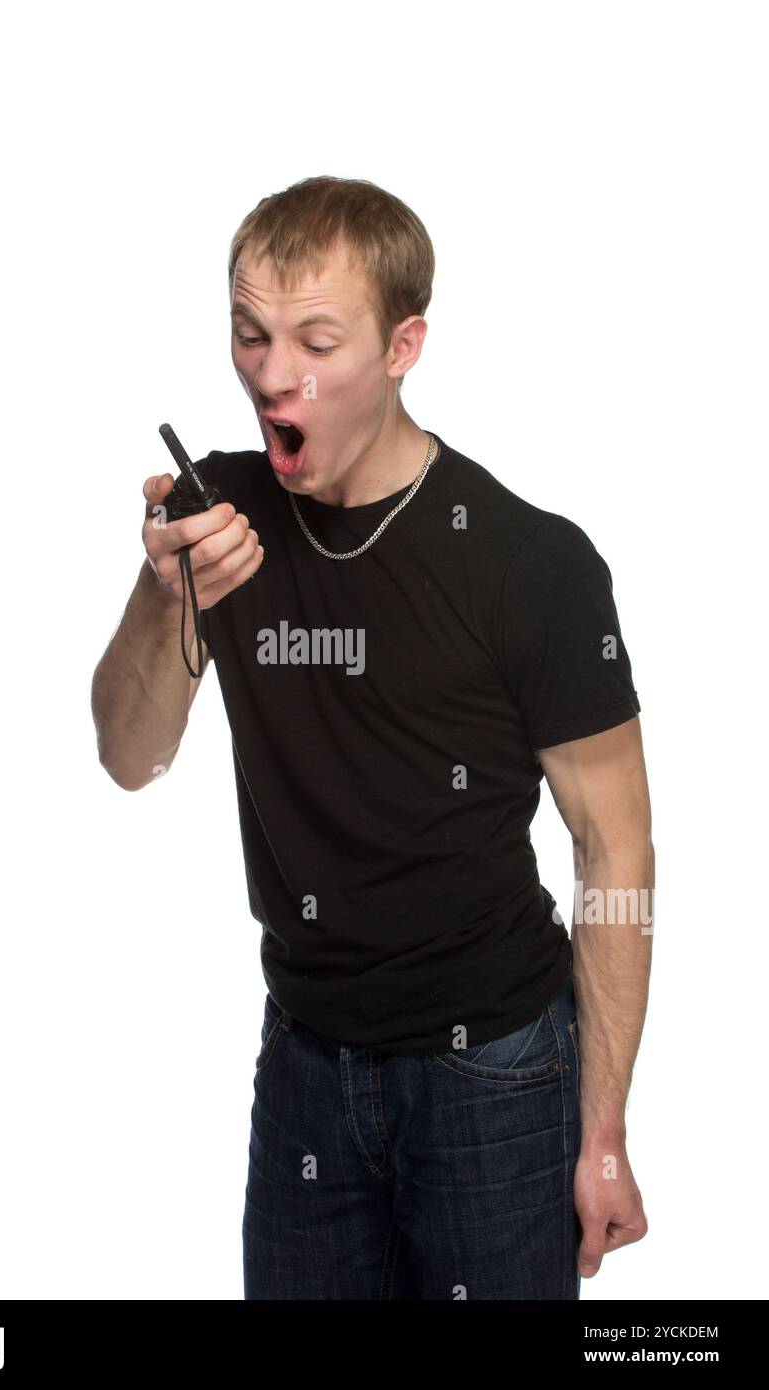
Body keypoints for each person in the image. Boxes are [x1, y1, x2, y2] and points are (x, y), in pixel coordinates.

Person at [91, 175, 653, 1300]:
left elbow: (615, 852)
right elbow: (129, 755)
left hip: (493, 1069)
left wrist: (601, 1131)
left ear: (403, 345)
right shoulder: (222, 525)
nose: (269, 373)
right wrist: (164, 597)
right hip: (304, 1060)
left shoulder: (527, 562)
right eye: (250, 333)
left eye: (315, 340)